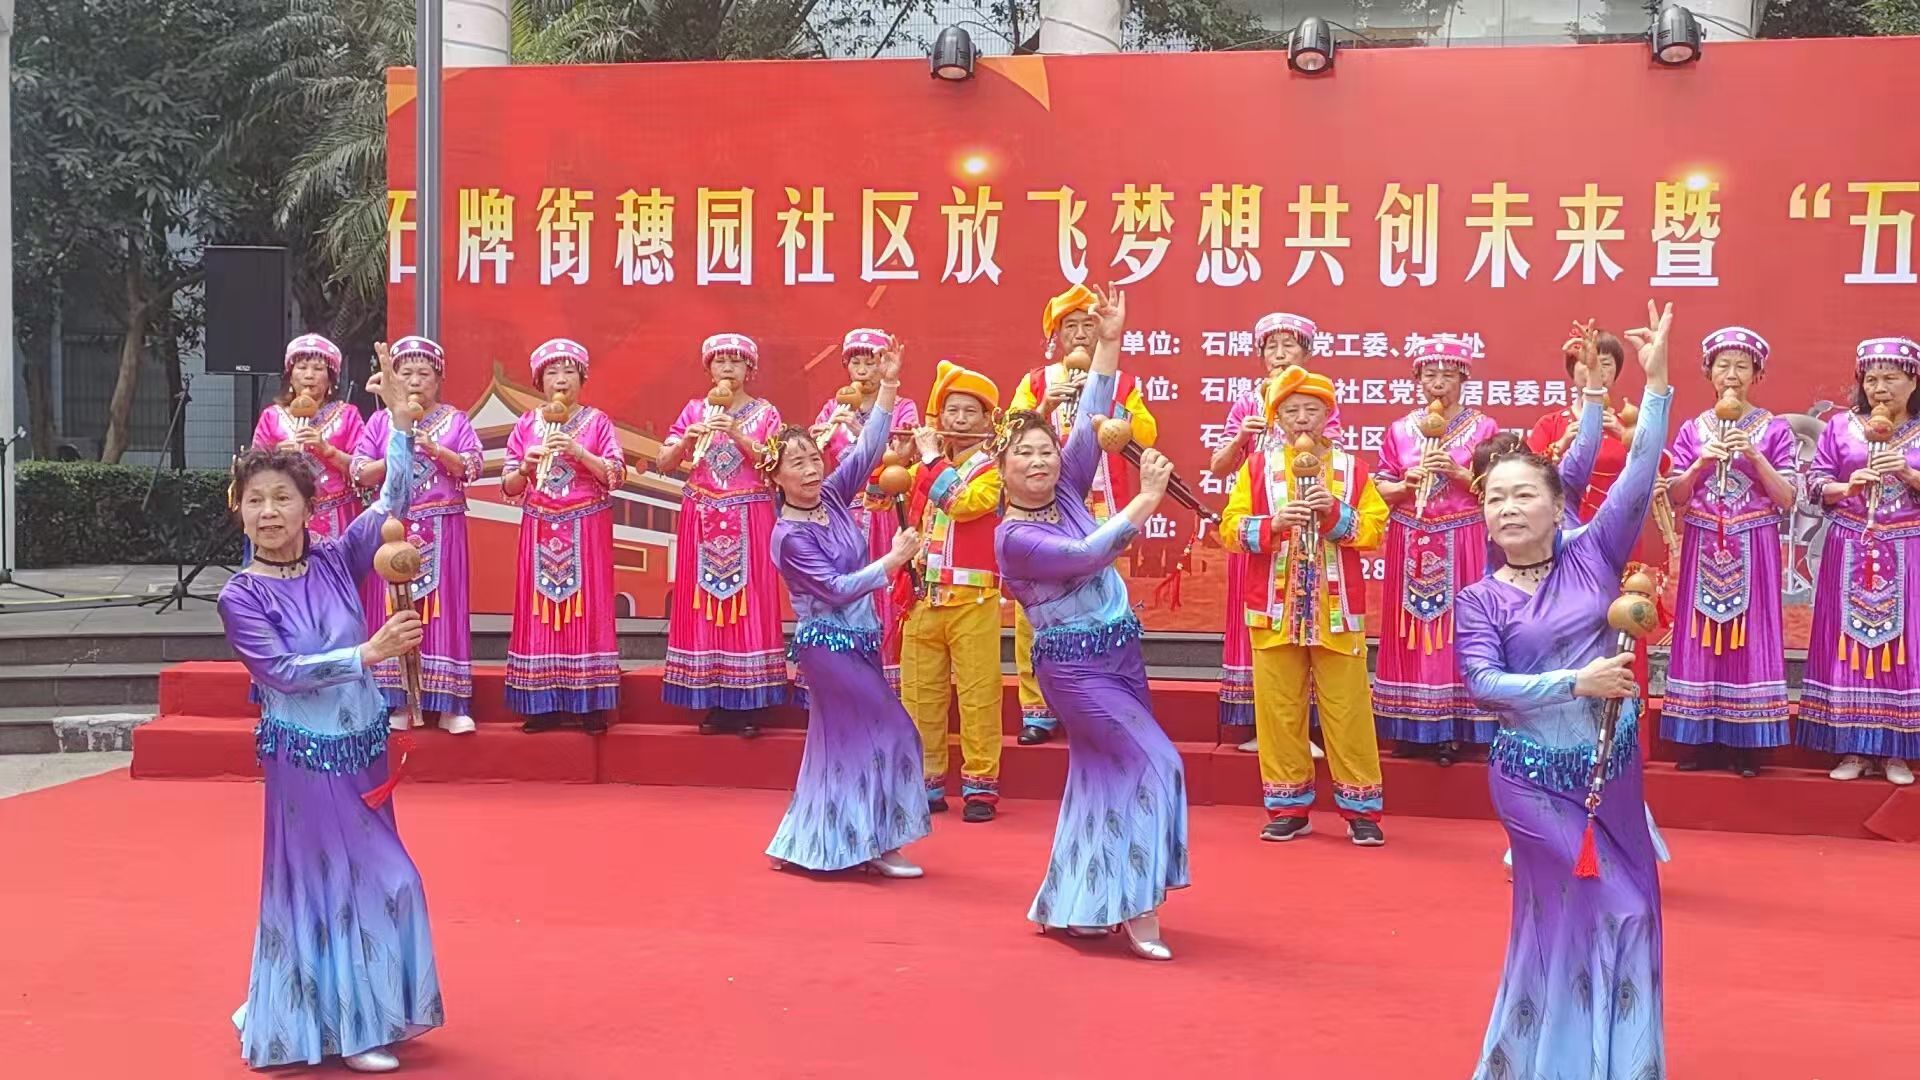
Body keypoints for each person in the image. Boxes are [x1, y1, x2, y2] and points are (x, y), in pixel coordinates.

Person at [1454, 300, 1674, 1080]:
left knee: (1623, 914)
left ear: (1557, 504)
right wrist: (1574, 680)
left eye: (1523, 495)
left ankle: (1593, 1063)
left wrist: (1656, 384)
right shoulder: (1481, 599)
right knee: (1610, 907)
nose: (1507, 509)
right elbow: (1483, 683)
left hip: (1610, 771)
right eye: (1494, 499)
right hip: (1531, 781)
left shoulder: (1594, 552)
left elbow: (1640, 470)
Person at [218, 344, 443, 1074]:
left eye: (283, 499)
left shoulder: (334, 558)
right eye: (256, 500)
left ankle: (305, 1004)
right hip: (305, 762)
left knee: (374, 879)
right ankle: (349, 1028)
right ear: (238, 510)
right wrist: (368, 653)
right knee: (348, 882)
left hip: (364, 750)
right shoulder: (241, 596)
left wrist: (400, 427)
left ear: (309, 508)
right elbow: (281, 673)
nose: (269, 512)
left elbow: (392, 504)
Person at [996, 283, 1188, 961]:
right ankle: (1139, 904)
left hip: (1120, 654)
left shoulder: (1069, 487)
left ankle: (1079, 900)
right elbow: (1085, 556)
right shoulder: (1015, 538)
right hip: (1075, 672)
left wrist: (1110, 339)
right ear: (1002, 468)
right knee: (1156, 764)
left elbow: (1095, 409)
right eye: (1024, 454)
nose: (1040, 461)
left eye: (1046, 450)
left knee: (1103, 776)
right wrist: (1147, 501)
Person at [762, 336, 932, 876]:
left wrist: (889, 385)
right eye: (797, 463)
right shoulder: (788, 535)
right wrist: (892, 561)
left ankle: (811, 841)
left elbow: (868, 449)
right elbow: (834, 589)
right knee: (891, 731)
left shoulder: (833, 497)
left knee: (837, 745)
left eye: (814, 458)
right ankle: (879, 842)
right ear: (776, 477)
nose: (812, 469)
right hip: (827, 649)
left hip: (861, 641)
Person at [1220, 366, 1390, 845]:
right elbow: (1229, 528)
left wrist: (1333, 512)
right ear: (1276, 418)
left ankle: (1361, 810)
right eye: (1291, 410)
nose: (1301, 419)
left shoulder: (1352, 470)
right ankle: (1288, 806)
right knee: (1279, 710)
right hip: (1273, 609)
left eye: (1311, 410)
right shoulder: (1257, 468)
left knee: (1348, 709)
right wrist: (1272, 524)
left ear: (1328, 415)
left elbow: (1374, 529)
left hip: (1336, 609)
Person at [1007, 283, 1159, 746]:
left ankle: (1104, 696)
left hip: (1098, 507)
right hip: (1043, 510)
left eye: (1086, 325)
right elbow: (1009, 434)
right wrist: (1047, 406)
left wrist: (1112, 417)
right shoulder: (1037, 380)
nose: (1078, 334)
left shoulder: (1123, 382)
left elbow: (1145, 432)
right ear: (1056, 336)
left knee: (1099, 599)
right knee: (1038, 610)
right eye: (1069, 326)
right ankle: (1038, 708)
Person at [1658, 327, 1797, 775]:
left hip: (1754, 540)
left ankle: (1747, 741)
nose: (1732, 375)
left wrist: (1755, 456)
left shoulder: (1774, 429)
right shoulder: (1692, 429)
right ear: (1709, 373)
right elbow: (1676, 496)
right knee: (1700, 635)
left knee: (1750, 635)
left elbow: (1788, 497)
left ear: (1757, 375)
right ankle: (1699, 737)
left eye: (1741, 366)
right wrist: (1701, 462)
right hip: (1704, 540)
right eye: (1723, 366)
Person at [1208, 312, 1339, 753]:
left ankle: (1305, 728)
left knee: (1308, 618)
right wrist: (1240, 439)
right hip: (1259, 529)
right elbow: (1218, 466)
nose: (1280, 355)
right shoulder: (1247, 404)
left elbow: (1334, 457)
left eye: (1289, 346)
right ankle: (1264, 726)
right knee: (1258, 620)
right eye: (1272, 347)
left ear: (1307, 352)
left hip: (1306, 529)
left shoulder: (1315, 399)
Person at [1797, 335, 1920, 787]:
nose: (1879, 388)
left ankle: (1897, 750)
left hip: (1908, 547)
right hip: (1849, 546)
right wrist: (1847, 487)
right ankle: (1852, 746)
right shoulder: (1840, 426)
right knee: (1848, 646)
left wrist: (1907, 472)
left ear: (1913, 382)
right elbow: (1814, 483)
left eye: (1891, 378)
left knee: (1903, 647)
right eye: (1871, 379)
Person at [1372, 335, 1499, 764]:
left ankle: (1455, 727)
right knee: (1410, 632)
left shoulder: (1483, 428)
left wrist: (1460, 474)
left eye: (1448, 375)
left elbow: (1499, 486)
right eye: (1430, 375)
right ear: (1418, 380)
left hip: (1462, 537)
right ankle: (1408, 724)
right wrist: (1404, 485)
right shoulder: (1399, 430)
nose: (1439, 383)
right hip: (1410, 535)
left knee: (1458, 629)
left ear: (1463, 379)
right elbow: (1379, 486)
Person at [659, 333, 790, 735]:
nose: (728, 368)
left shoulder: (765, 412)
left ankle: (748, 701)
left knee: (749, 602)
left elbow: (774, 461)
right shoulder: (694, 410)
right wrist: (688, 437)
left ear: (750, 370)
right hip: (701, 516)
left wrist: (736, 433)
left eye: (736, 362)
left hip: (749, 516)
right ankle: (712, 698)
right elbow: (664, 462)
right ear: (709, 370)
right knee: (703, 605)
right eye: (720, 362)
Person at [351, 336, 483, 735]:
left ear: (438, 379)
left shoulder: (455, 420)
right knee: (391, 609)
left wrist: (436, 449)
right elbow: (359, 472)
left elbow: (473, 467)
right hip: (394, 527)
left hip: (443, 525)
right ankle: (396, 700)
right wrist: (399, 447)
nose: (414, 381)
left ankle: (449, 704)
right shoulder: (380, 422)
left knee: (443, 612)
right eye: (405, 373)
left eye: (423, 373)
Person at [898, 361, 1007, 822]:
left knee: (979, 695)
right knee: (920, 695)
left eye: (969, 412)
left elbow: (962, 503)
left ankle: (980, 787)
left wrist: (927, 460)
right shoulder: (924, 463)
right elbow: (886, 497)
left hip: (973, 600)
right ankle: (927, 782)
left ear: (988, 420)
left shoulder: (995, 468)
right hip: (923, 597)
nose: (959, 420)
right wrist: (899, 461)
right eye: (952, 411)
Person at [500, 339, 627, 733]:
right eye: (552, 373)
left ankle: (589, 703)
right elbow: (508, 485)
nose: (560, 380)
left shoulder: (597, 422)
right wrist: (525, 467)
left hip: (586, 525)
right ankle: (542, 703)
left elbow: (616, 475)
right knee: (541, 612)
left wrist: (578, 451)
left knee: (587, 610)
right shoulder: (527, 424)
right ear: (539, 381)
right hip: (540, 525)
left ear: (582, 378)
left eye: (569, 372)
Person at [809, 328, 921, 690]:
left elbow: (899, 460)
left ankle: (884, 677)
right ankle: (843, 672)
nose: (861, 370)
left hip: (883, 512)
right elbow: (822, 460)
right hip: (842, 514)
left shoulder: (903, 407)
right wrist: (817, 440)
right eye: (855, 362)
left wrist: (857, 427)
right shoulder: (834, 407)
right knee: (841, 588)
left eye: (870, 363)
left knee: (881, 588)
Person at [252, 334, 367, 542]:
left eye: (318, 369)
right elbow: (252, 470)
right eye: (302, 367)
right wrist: (276, 453)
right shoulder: (272, 416)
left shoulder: (348, 414)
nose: (309, 375)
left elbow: (362, 469)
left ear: (330, 379)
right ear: (290, 376)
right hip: (285, 513)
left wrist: (327, 450)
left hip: (338, 512)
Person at [1529, 331, 1631, 520]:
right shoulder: (1550, 424)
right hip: (1561, 524)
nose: (1596, 369)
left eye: (1605, 363)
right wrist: (1561, 444)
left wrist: (1625, 435)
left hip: (1616, 524)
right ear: (1572, 369)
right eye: (1587, 362)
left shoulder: (1627, 425)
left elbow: (1661, 467)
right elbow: (1526, 472)